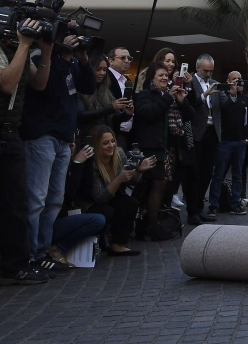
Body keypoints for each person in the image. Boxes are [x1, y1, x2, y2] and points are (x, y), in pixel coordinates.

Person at [20, 27, 96, 270]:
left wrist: (83, 58)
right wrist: (61, 56)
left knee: (54, 200)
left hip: (63, 138)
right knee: (36, 199)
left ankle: (43, 251)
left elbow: (88, 86)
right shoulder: (37, 57)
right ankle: (31, 255)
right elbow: (48, 89)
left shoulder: (71, 61)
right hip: (41, 136)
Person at [0, 19, 50, 285]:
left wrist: (47, 49)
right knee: (12, 205)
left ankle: (14, 265)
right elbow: (7, 84)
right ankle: (13, 266)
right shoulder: (13, 47)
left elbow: (39, 82)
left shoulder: (12, 48)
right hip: (4, 134)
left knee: (15, 205)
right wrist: (23, 44)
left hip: (10, 134)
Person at [132, 61, 193, 240]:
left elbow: (190, 116)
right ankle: (150, 227)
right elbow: (148, 114)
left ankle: (156, 221)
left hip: (172, 148)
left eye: (167, 75)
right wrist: (168, 98)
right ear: (152, 78)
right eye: (161, 75)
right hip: (154, 148)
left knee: (166, 187)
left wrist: (182, 101)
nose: (165, 78)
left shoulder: (173, 94)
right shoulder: (145, 95)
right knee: (157, 185)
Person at [89, 124, 153, 255]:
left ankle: (117, 244)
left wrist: (139, 170)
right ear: (96, 146)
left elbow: (131, 182)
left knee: (130, 203)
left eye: (112, 141)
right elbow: (100, 197)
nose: (111, 145)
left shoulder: (119, 153)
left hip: (114, 196)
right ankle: (101, 240)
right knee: (107, 210)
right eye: (105, 143)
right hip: (94, 202)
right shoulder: (93, 163)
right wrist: (118, 179)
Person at [47, 142, 105, 268]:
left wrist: (82, 163)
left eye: (72, 141)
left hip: (67, 214)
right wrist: (77, 164)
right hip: (52, 221)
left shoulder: (70, 163)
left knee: (102, 215)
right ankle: (57, 248)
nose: (71, 145)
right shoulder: (54, 166)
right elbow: (69, 194)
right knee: (98, 220)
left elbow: (85, 191)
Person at [208, 72, 248, 218]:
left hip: (240, 142)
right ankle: (213, 205)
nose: (237, 82)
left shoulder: (246, 100)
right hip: (225, 141)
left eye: (239, 80)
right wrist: (232, 95)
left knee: (237, 174)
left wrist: (246, 139)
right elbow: (225, 109)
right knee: (219, 174)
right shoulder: (223, 95)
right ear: (228, 81)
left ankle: (235, 204)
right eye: (234, 80)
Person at [187, 54, 221, 225]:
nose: (208, 74)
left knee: (207, 172)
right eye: (205, 70)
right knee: (195, 173)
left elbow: (219, 109)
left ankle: (199, 207)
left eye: (210, 71)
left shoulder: (214, 83)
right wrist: (203, 95)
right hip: (196, 132)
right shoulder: (190, 82)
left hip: (211, 132)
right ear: (197, 67)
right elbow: (187, 105)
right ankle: (192, 210)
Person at [78, 54, 133, 139]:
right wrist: (111, 107)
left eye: (105, 70)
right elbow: (82, 115)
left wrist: (127, 114)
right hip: (88, 138)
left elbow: (115, 119)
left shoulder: (107, 91)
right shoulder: (81, 90)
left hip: (106, 139)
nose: (102, 73)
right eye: (98, 69)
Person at [105, 47, 135, 146]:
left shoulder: (126, 80)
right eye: (122, 58)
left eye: (129, 58)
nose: (127, 61)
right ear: (110, 61)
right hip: (109, 133)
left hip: (126, 133)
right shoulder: (105, 77)